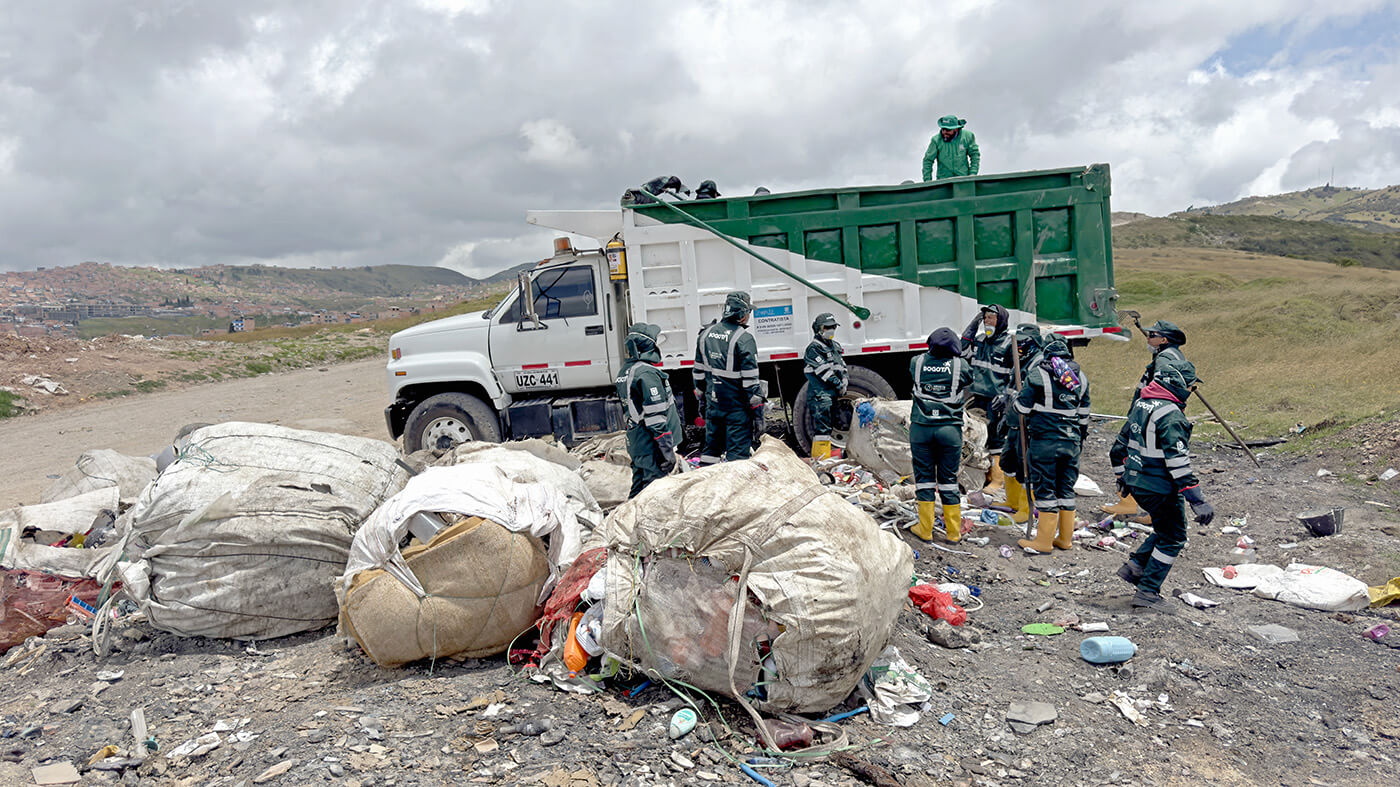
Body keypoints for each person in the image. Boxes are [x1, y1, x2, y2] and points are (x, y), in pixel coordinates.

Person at [1109, 357, 1215, 610]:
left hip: (1138, 483)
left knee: (1165, 528)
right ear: (1177, 384)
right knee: (1173, 537)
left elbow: (1118, 448)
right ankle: (1148, 592)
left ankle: (1135, 567)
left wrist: (1122, 477)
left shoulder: (1141, 405)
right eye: (1189, 386)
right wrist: (1197, 499)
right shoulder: (1171, 415)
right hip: (1161, 487)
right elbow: (1178, 463)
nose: (1190, 391)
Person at [1104, 320, 1189, 517]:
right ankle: (1147, 508)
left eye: (1153, 335)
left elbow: (1161, 387)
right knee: (1153, 460)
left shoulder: (1165, 358)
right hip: (1154, 413)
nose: (1148, 338)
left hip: (1148, 413)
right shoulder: (1170, 354)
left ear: (1164, 339)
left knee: (1120, 451)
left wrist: (1145, 413)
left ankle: (1129, 501)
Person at [1014, 335, 1091, 554]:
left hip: (1045, 442)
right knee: (1066, 488)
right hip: (1071, 442)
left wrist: (1013, 399)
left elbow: (1022, 408)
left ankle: (1044, 542)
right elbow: (1084, 414)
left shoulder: (1038, 374)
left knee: (1045, 488)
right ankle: (1065, 539)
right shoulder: (1081, 378)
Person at [908, 328, 974, 542]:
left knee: (925, 479)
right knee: (948, 481)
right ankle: (953, 533)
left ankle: (925, 529)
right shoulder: (960, 366)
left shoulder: (916, 362)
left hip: (922, 428)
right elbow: (968, 379)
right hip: (949, 430)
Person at [694, 291, 762, 464]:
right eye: (748, 312)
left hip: (713, 406)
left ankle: (707, 485)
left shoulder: (705, 335)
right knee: (737, 458)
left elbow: (698, 374)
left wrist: (703, 400)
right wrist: (758, 411)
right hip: (736, 408)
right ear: (741, 315)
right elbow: (751, 381)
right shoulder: (744, 338)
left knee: (711, 450)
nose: (749, 316)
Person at [615, 323, 682, 498]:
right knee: (654, 491)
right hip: (651, 443)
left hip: (638, 440)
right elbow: (655, 417)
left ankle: (628, 520)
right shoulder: (647, 373)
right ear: (650, 346)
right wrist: (666, 450)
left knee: (639, 486)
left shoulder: (627, 369)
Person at [961, 305, 1014, 493]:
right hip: (978, 398)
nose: (987, 321)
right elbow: (961, 349)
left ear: (1001, 321)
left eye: (992, 318)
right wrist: (972, 325)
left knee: (996, 438)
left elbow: (1017, 376)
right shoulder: (980, 340)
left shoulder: (1009, 344)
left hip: (996, 400)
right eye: (985, 318)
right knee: (980, 436)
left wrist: (1006, 395)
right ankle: (988, 475)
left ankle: (998, 480)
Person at [998, 324, 1044, 525]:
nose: (1019, 347)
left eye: (1023, 343)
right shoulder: (1020, 360)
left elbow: (1031, 396)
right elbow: (1011, 387)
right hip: (1014, 421)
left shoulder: (1038, 364)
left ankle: (1027, 508)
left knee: (1025, 466)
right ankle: (1013, 500)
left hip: (1028, 423)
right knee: (1007, 462)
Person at [803, 313, 848, 460]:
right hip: (820, 394)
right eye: (827, 327)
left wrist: (845, 379)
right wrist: (839, 384)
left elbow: (842, 365)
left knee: (829, 428)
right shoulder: (814, 348)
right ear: (818, 329)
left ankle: (827, 458)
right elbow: (823, 371)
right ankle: (820, 461)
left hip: (832, 394)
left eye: (833, 327)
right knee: (822, 430)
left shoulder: (835, 346)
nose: (831, 330)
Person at [922, 115, 980, 181]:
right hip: (943, 181)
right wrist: (928, 180)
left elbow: (975, 155)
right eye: (943, 129)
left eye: (948, 130)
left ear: (956, 129)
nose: (944, 132)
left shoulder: (968, 136)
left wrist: (973, 173)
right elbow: (928, 160)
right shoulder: (936, 140)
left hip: (963, 180)